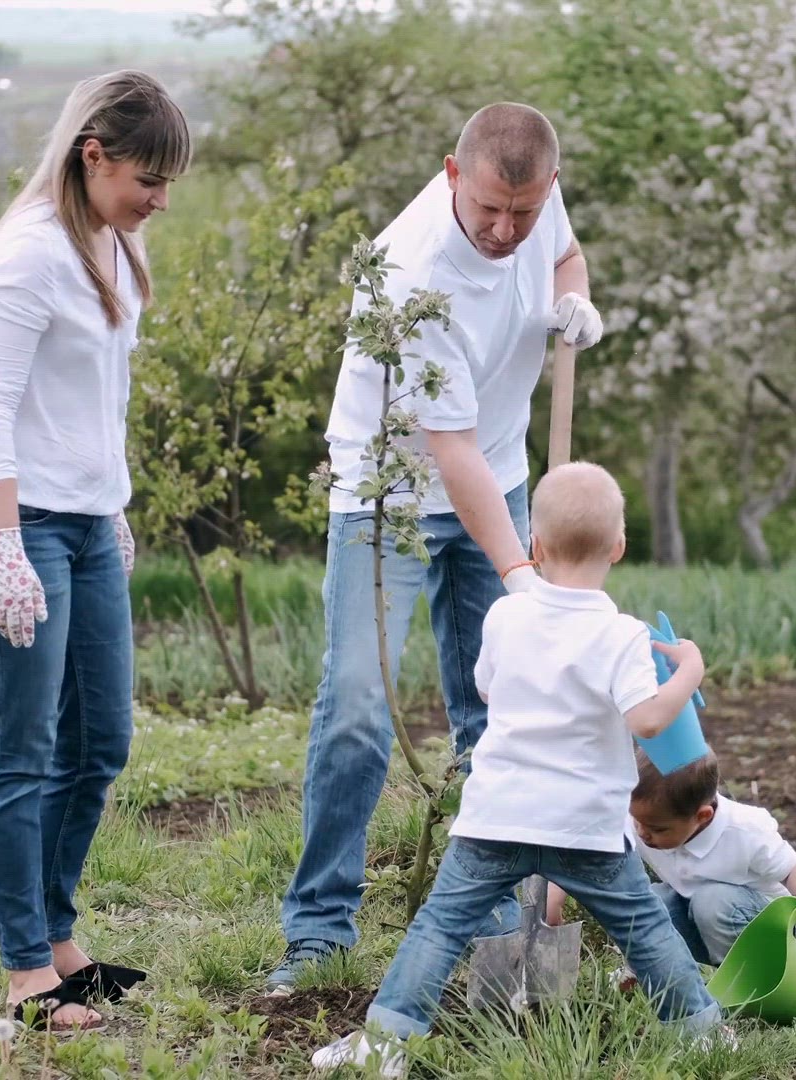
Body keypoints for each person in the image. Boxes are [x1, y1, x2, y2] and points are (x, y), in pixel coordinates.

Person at [271, 102, 606, 990]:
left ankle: (496, 926)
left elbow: (563, 252)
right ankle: (318, 930)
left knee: (501, 711)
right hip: (390, 492)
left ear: (548, 188)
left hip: (493, 474)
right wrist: (525, 577)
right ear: (454, 176)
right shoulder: (407, 272)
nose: (505, 231)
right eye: (490, 208)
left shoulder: (536, 202)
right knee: (355, 708)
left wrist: (574, 296)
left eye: (523, 214)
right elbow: (445, 449)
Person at [0, 70, 191, 1032]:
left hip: (83, 519)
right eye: (147, 180)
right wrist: (2, 545)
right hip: (16, 521)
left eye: (167, 185)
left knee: (100, 739)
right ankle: (28, 971)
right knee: (23, 749)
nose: (159, 200)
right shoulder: (26, 257)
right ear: (93, 155)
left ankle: (60, 934)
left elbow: (93, 395)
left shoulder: (113, 244)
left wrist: (108, 500)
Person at [310, 463, 723, 1075]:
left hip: (495, 819)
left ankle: (386, 1044)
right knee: (644, 931)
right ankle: (701, 1034)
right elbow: (649, 722)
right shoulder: (623, 637)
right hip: (585, 829)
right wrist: (689, 668)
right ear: (619, 546)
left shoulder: (504, 616)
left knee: (442, 927)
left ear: (534, 545)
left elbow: (485, 687)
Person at [547, 751, 796, 976]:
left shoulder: (745, 832)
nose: (643, 833)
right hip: (698, 919)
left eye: (658, 829)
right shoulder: (646, 818)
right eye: (638, 821)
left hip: (763, 934)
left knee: (713, 900)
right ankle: (649, 974)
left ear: (702, 817)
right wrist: (555, 898)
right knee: (649, 901)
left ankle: (742, 981)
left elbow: (795, 868)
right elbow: (587, 847)